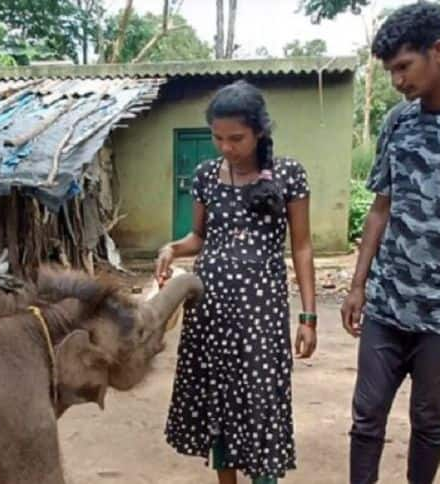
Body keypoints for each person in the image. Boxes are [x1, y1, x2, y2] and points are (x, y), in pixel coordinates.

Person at [341, 3, 440, 484]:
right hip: (388, 305)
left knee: (428, 421)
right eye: (390, 72)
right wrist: (357, 284)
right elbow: (381, 208)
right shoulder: (398, 124)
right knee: (366, 417)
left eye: (403, 67)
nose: (397, 81)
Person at [156, 80, 317, 484]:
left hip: (261, 313)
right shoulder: (206, 175)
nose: (226, 147)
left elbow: (302, 248)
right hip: (210, 311)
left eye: (237, 138)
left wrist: (308, 316)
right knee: (217, 400)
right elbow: (199, 237)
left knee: (261, 401)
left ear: (260, 132)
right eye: (218, 138)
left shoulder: (288, 174)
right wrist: (173, 249)